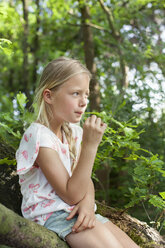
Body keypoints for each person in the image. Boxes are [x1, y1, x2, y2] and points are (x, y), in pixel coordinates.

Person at [16, 57, 139, 248]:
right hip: (54, 214)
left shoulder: (73, 131)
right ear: (49, 96)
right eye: (75, 93)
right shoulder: (39, 136)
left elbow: (83, 177)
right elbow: (71, 194)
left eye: (86, 94)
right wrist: (90, 147)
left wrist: (89, 203)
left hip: (78, 210)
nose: (83, 102)